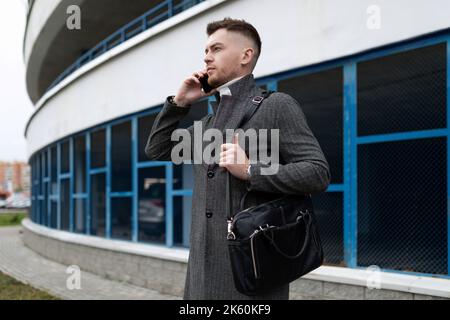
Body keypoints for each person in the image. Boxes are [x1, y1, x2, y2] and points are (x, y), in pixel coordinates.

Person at [145, 17, 330, 300]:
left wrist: (251, 171)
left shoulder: (277, 106)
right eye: (205, 51)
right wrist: (179, 103)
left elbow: (317, 173)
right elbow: (157, 150)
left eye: (216, 49)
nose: (207, 57)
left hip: (251, 276)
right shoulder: (207, 124)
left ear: (246, 55)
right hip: (200, 278)